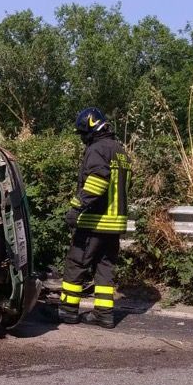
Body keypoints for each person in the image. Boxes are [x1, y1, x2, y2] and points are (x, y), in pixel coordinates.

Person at [56, 107, 131, 328]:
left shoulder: (97, 149)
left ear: (91, 129)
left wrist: (76, 208)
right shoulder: (120, 150)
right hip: (115, 224)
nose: (81, 138)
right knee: (104, 268)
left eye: (82, 133)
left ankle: (68, 311)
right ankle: (104, 315)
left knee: (76, 264)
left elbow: (98, 181)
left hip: (95, 221)